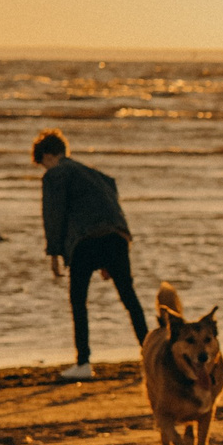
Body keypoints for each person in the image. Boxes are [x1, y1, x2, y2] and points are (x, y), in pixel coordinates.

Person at [33, 130, 147, 381]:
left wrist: (53, 253)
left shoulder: (56, 174)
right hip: (116, 236)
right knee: (129, 298)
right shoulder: (98, 175)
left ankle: (83, 363)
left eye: (43, 164)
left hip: (85, 240)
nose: (45, 169)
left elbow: (54, 215)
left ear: (49, 155)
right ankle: (150, 354)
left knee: (78, 301)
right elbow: (113, 204)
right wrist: (111, 254)